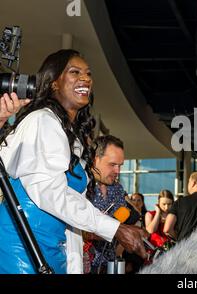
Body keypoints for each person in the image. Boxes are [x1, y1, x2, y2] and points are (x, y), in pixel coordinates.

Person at [0, 49, 145, 274]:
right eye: (75, 72)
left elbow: (69, 204)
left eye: (88, 73)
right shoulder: (42, 120)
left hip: (49, 247)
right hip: (23, 247)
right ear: (54, 83)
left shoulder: (70, 134)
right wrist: (114, 228)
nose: (85, 78)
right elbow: (50, 192)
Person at [85, 135, 134, 274]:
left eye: (120, 166)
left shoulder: (117, 189)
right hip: (84, 264)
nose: (118, 171)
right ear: (95, 159)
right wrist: (117, 231)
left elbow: (120, 222)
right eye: (112, 165)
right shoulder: (80, 187)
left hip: (110, 264)